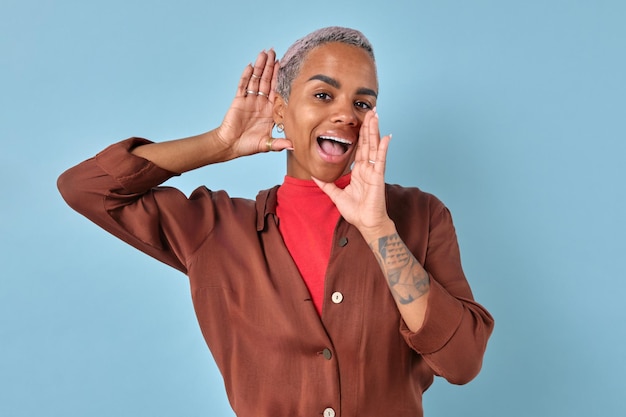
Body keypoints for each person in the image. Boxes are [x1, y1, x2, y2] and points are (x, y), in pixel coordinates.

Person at [58, 26, 494, 417]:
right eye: (324, 95)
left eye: (363, 102)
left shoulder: (420, 216)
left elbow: (462, 361)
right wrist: (219, 142)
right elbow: (85, 188)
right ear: (281, 111)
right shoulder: (217, 229)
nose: (347, 114)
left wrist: (379, 230)